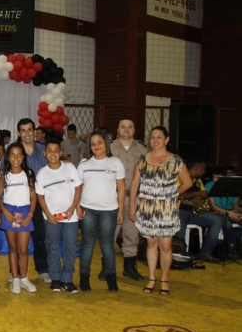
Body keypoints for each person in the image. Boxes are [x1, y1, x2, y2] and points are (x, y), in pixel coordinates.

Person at [128, 126, 192, 296]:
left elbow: (188, 183)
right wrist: (132, 206)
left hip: (167, 209)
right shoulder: (142, 159)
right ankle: (151, 278)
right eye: (153, 137)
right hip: (147, 207)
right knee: (151, 243)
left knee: (165, 245)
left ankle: (164, 279)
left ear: (166, 139)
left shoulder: (176, 161)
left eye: (159, 137)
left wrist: (172, 194)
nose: (155, 140)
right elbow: (135, 183)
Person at [76, 130, 125, 292]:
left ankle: (111, 278)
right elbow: (77, 188)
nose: (96, 146)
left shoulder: (116, 163)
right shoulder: (84, 164)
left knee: (107, 245)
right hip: (87, 210)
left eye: (99, 142)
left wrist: (120, 210)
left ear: (106, 144)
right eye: (92, 143)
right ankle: (84, 277)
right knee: (87, 244)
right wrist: (77, 207)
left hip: (109, 211)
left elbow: (121, 188)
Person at [36, 138, 82, 293]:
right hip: (51, 219)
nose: (53, 154)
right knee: (53, 247)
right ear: (44, 153)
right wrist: (48, 214)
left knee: (70, 247)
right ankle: (55, 278)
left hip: (71, 217)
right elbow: (40, 197)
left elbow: (78, 189)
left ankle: (67, 279)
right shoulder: (42, 174)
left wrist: (72, 208)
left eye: (56, 150)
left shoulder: (70, 168)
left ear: (61, 153)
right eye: (49, 150)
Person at [108, 118, 147, 281]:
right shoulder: (109, 147)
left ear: (134, 130)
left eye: (130, 127)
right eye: (123, 127)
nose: (126, 129)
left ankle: (129, 267)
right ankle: (107, 269)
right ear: (117, 130)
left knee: (132, 234)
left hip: (134, 197)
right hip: (112, 196)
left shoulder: (142, 149)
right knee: (109, 233)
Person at [0, 142, 37, 294]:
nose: (16, 158)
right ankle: (15, 279)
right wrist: (5, 212)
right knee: (13, 247)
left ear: (23, 157)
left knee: (23, 248)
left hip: (25, 213)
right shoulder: (4, 175)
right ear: (8, 157)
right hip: (9, 214)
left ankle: (24, 278)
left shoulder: (28, 174)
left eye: (19, 154)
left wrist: (30, 215)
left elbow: (33, 197)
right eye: (12, 155)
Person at [17, 118, 50, 283]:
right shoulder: (13, 151)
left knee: (40, 236)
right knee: (17, 239)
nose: (27, 133)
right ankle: (14, 272)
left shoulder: (45, 151)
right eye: (23, 130)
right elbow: (2, 173)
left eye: (30, 130)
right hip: (19, 203)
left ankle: (43, 268)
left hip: (41, 201)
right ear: (19, 133)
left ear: (35, 131)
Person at [173, 159, 222, 262]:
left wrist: (198, 198)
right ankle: (179, 252)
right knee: (180, 225)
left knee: (216, 220)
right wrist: (197, 194)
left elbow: (204, 193)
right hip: (179, 210)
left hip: (195, 212)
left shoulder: (198, 181)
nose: (204, 172)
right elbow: (176, 195)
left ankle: (206, 252)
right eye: (202, 169)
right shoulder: (178, 178)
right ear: (196, 168)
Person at [205, 167, 242, 258]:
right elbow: (213, 207)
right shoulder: (210, 185)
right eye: (213, 177)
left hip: (230, 211)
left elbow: (236, 204)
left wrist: (234, 213)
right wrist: (229, 214)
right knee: (228, 225)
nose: (214, 180)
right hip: (217, 212)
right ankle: (231, 246)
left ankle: (231, 241)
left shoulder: (231, 186)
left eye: (217, 177)